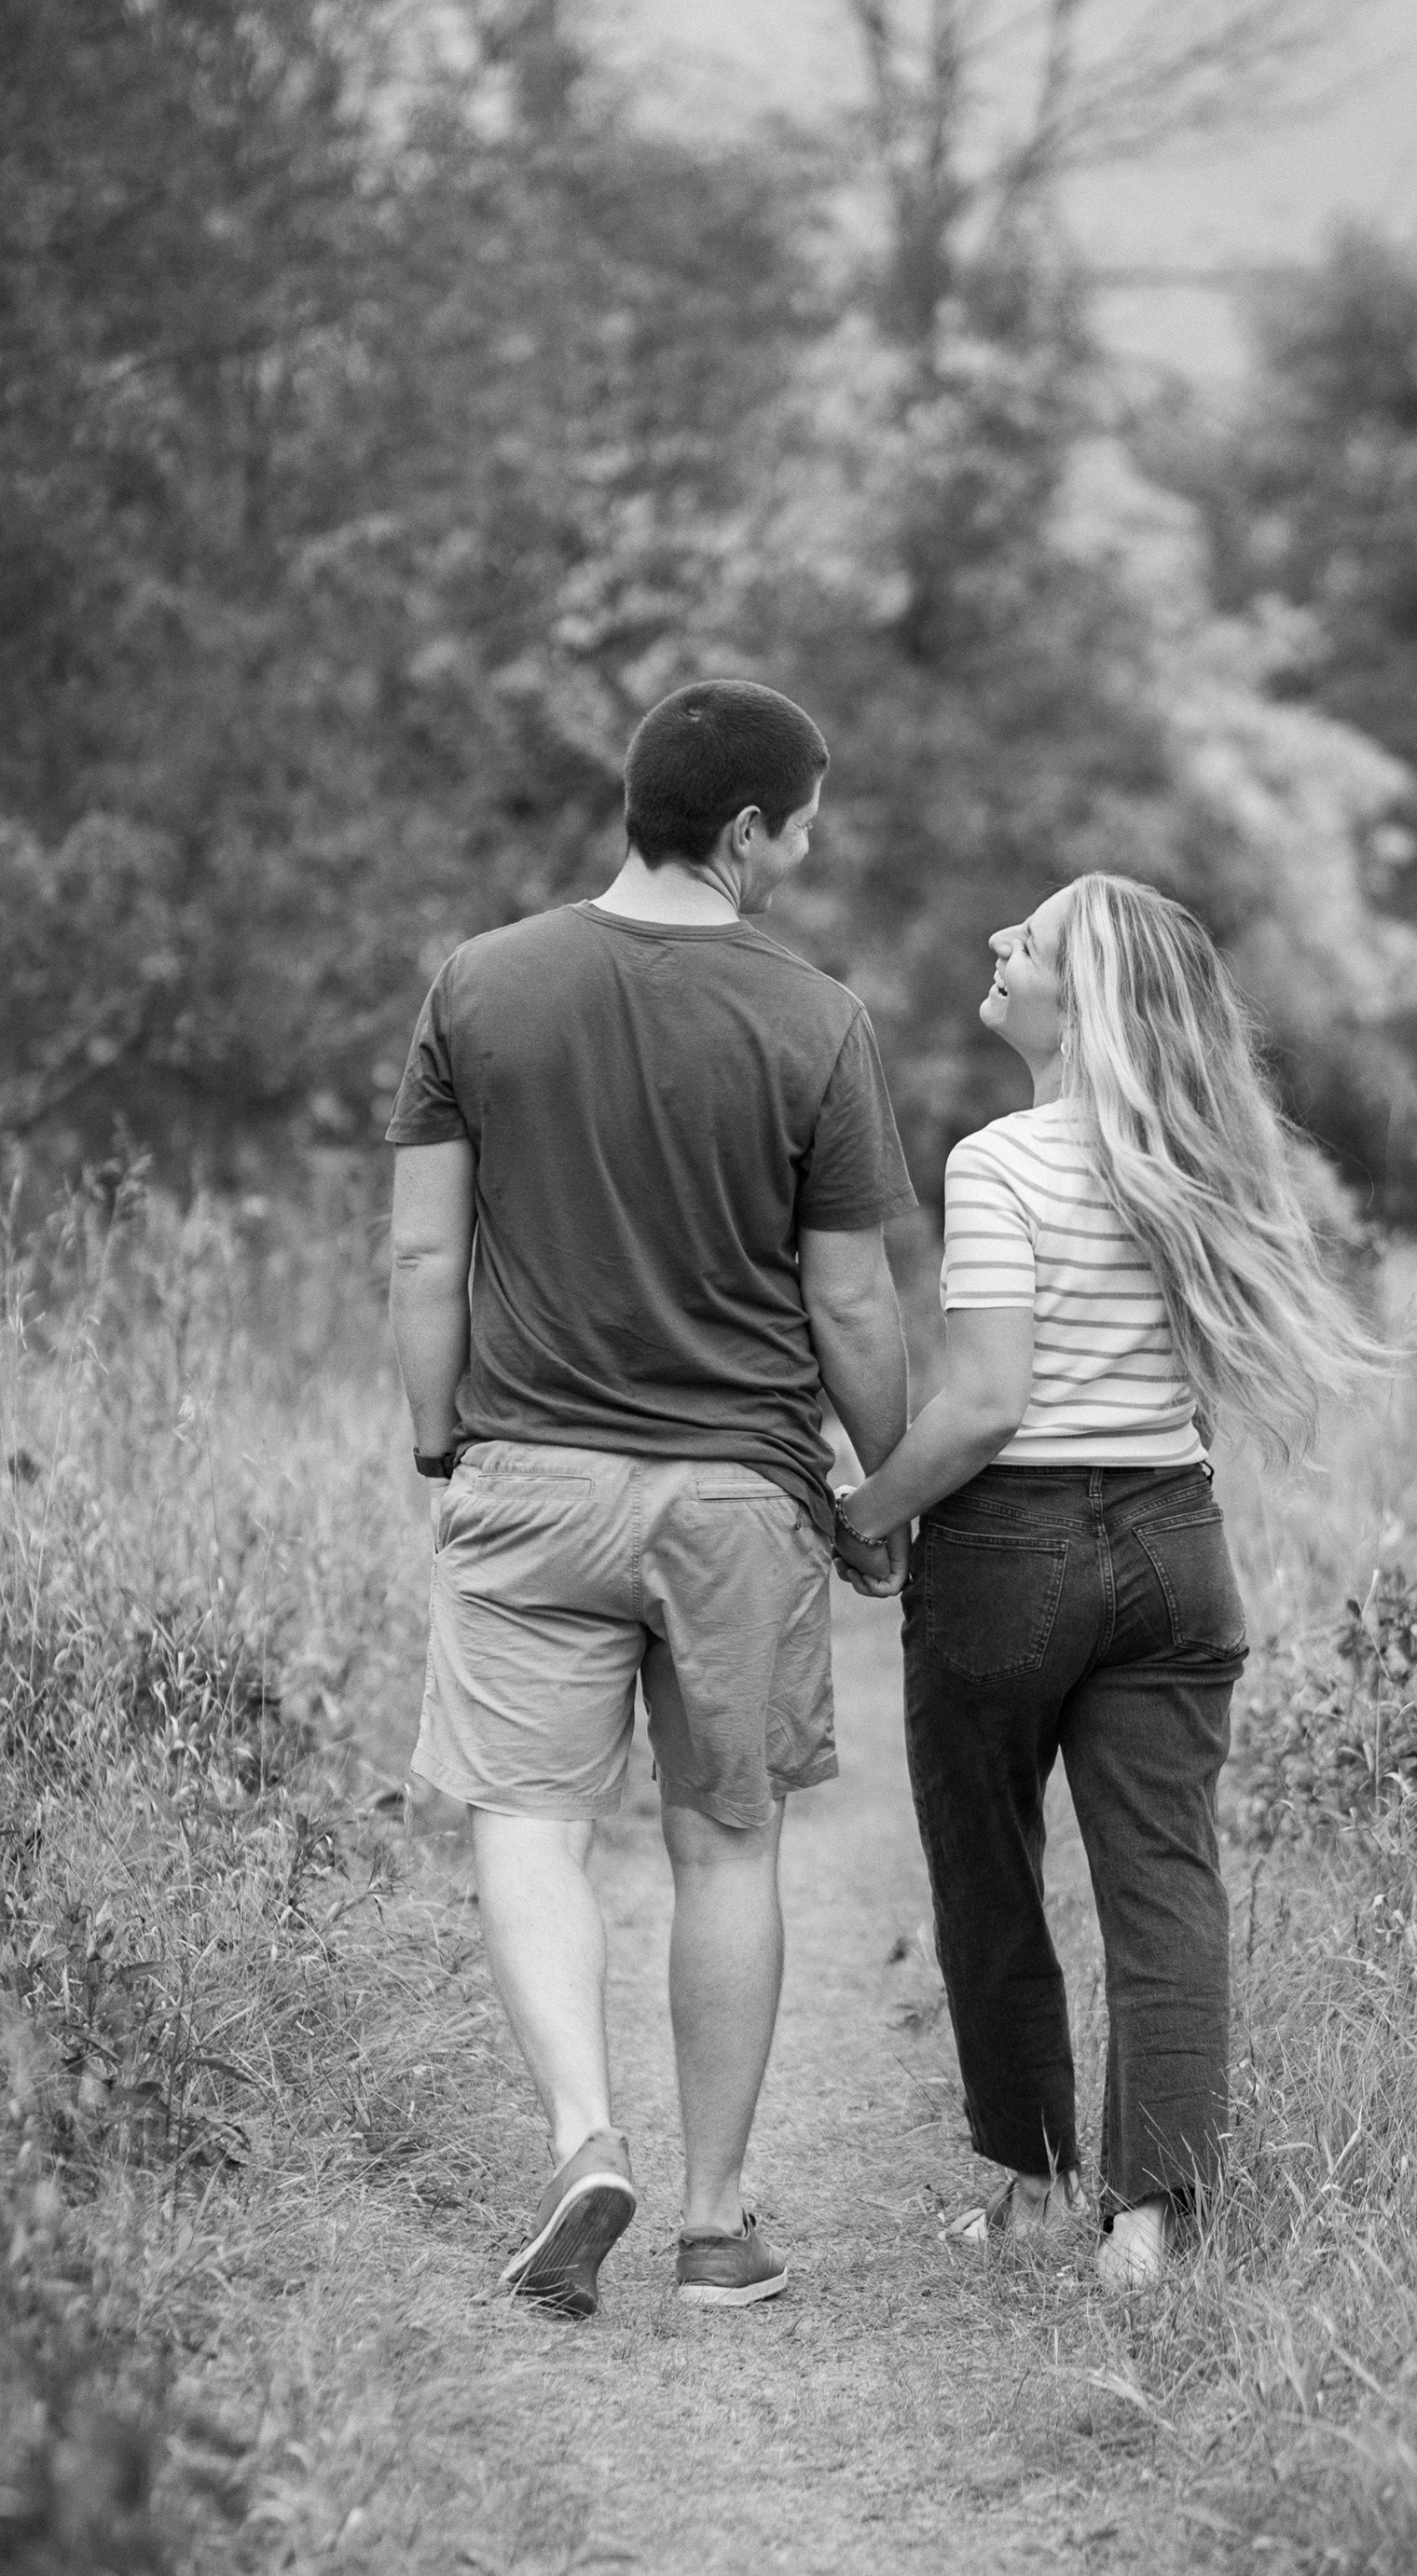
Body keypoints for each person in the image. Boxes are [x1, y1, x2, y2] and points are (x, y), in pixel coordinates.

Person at [386, 679, 914, 2318]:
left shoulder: (481, 984)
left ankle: (582, 2140)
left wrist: (440, 1439)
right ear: (745, 830)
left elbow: (422, 1253)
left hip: (530, 1477)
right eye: (802, 826)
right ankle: (713, 2225)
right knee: (726, 1842)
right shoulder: (815, 1021)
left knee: (527, 1822)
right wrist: (888, 1487)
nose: (806, 854)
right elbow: (850, 1303)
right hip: (738, 1501)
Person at [835, 873, 1388, 2293]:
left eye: (1027, 941)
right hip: (1172, 1545)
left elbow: (985, 1406)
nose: (999, 943)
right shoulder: (1202, 1162)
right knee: (1164, 1878)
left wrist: (866, 1512)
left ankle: (1035, 2184)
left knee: (987, 1863)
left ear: (1077, 1002)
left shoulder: (999, 1162)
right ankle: (1152, 2222)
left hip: (1008, 1553)